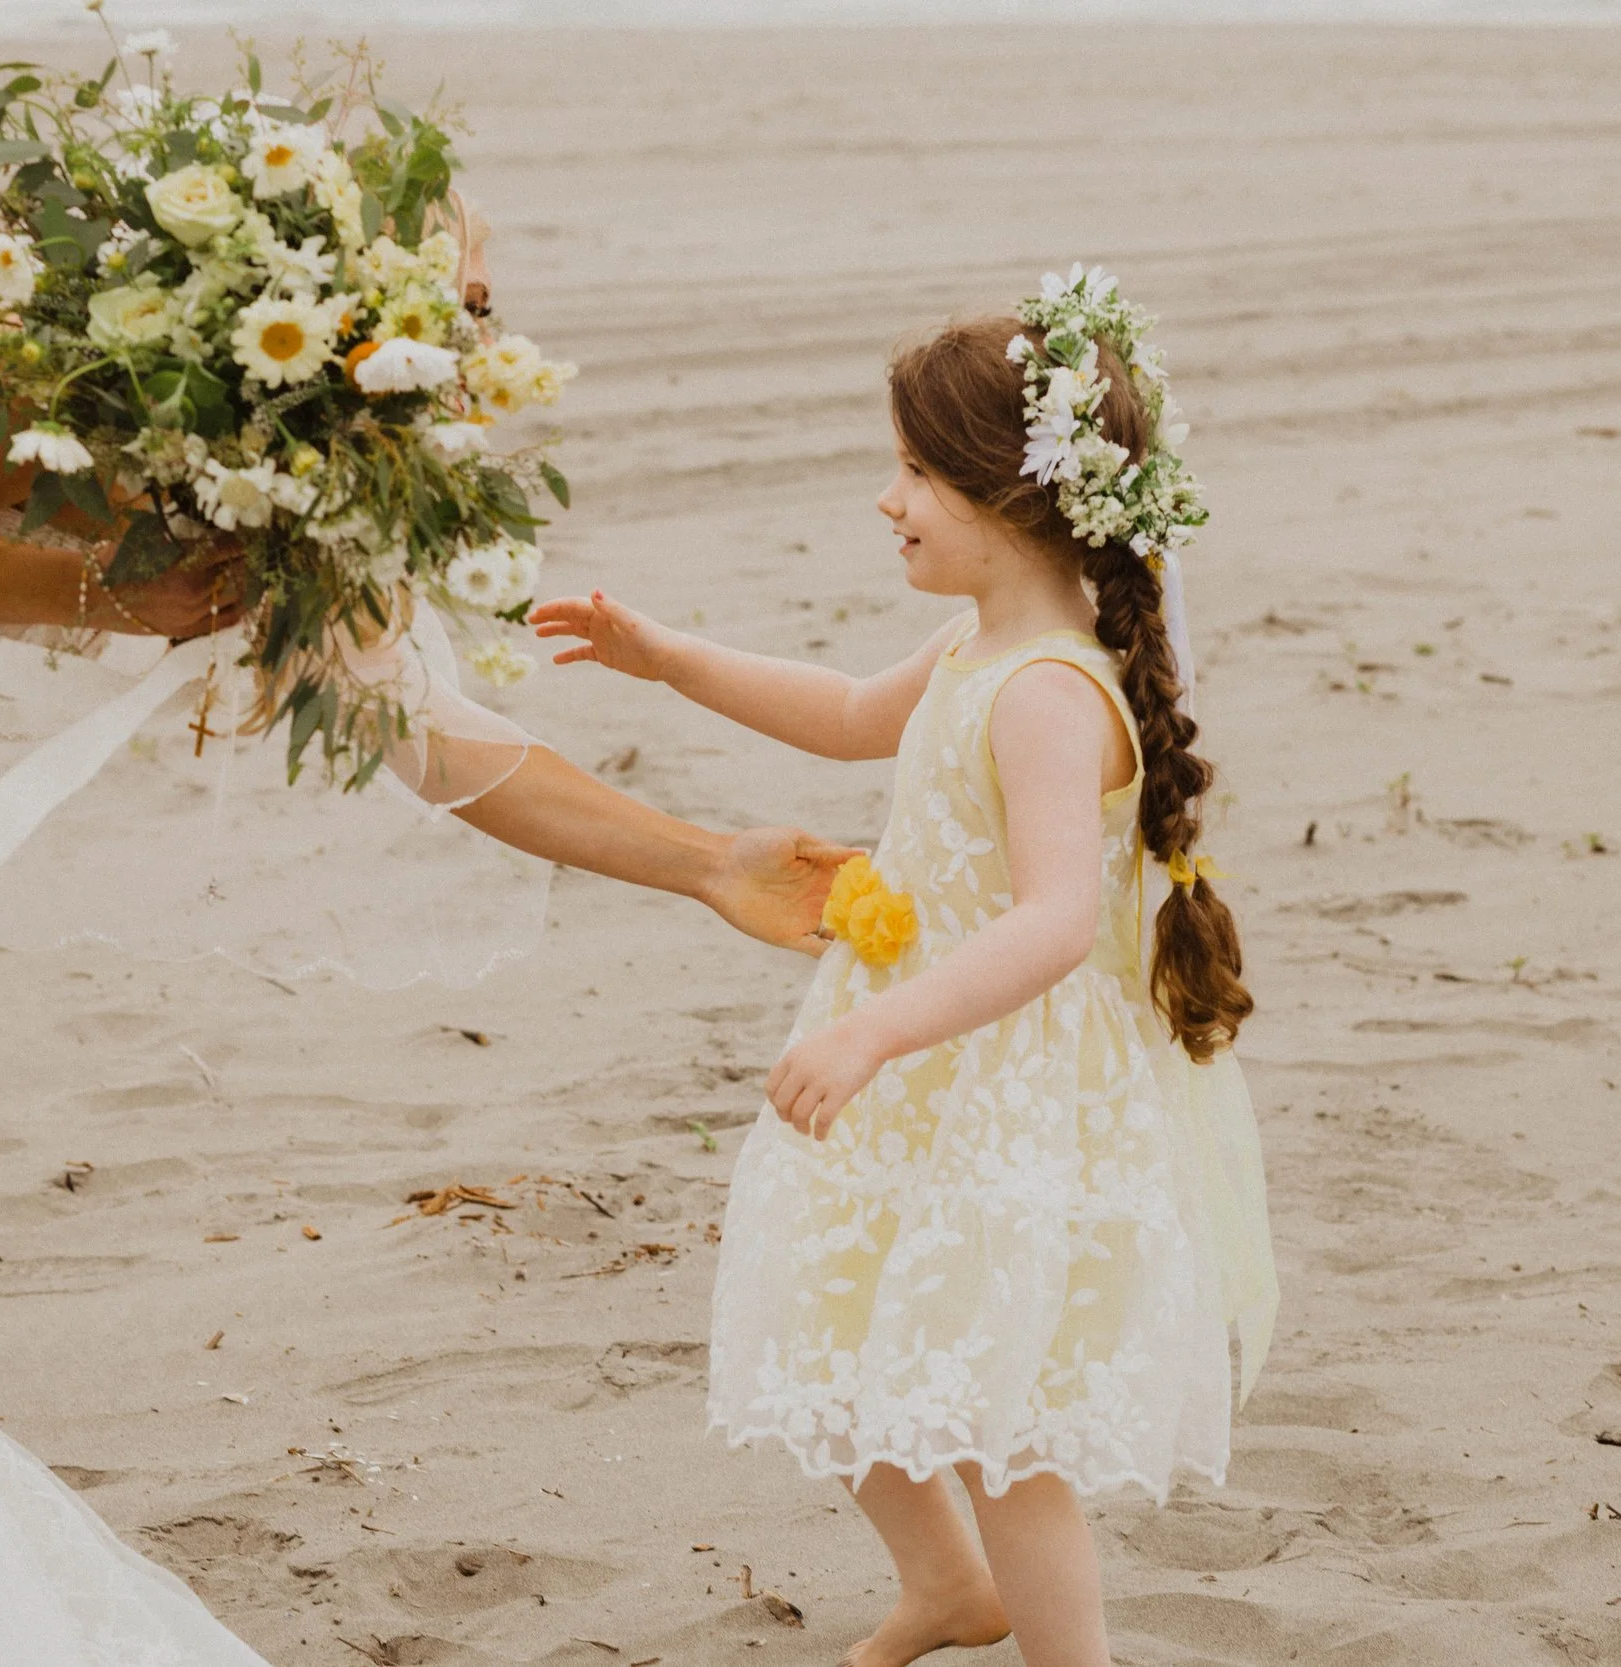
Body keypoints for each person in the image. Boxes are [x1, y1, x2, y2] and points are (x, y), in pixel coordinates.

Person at [0, 216, 854, 1659]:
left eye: (485, 297)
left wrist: (708, 864)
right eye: (450, 284)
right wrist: (103, 594)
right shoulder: (54, 344)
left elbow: (431, 737)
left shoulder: (279, 470)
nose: (475, 329)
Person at [530, 290, 1279, 1667]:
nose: (889, 500)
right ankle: (946, 1588)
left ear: (1019, 493)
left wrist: (876, 1029)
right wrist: (665, 657)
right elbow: (849, 716)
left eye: (920, 474)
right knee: (831, 1319)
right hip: (920, 1065)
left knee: (1004, 1426)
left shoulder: (1050, 691)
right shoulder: (970, 647)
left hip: (996, 1079)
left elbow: (1056, 918)